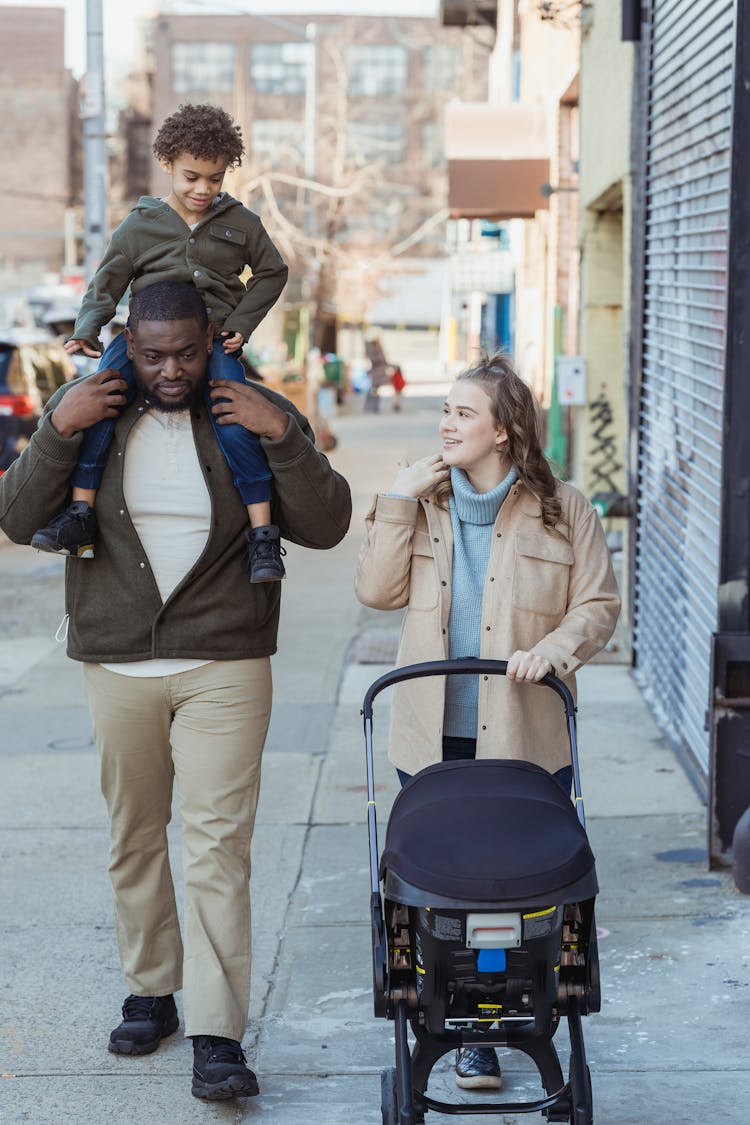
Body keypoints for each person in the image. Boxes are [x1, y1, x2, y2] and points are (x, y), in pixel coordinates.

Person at [0, 281, 352, 1102]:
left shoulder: (243, 408)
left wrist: (285, 434)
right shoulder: (92, 407)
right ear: (132, 341)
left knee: (217, 847)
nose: (168, 369)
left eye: (185, 353)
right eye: (153, 354)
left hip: (225, 659)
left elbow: (329, 521)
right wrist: (59, 427)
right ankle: (152, 987)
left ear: (210, 340)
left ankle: (218, 1031)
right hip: (118, 660)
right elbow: (17, 520)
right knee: (134, 836)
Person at [355, 351, 619, 1092]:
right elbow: (375, 590)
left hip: (525, 739)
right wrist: (398, 494)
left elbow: (598, 605)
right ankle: (460, 1030)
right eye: (445, 409)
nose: (446, 423)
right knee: (444, 897)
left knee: (523, 894)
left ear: (504, 431)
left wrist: (554, 649)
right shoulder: (423, 503)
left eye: (463, 412)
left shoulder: (565, 509)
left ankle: (519, 1019)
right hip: (430, 739)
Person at [31, 103, 289, 583]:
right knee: (99, 402)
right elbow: (107, 281)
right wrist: (87, 328)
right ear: (168, 163)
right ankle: (80, 515)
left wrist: (241, 322)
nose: (203, 190)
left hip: (211, 344)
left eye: (214, 179)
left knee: (235, 419)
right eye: (192, 176)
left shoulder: (242, 222)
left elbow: (273, 271)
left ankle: (263, 540)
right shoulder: (140, 224)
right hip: (144, 343)